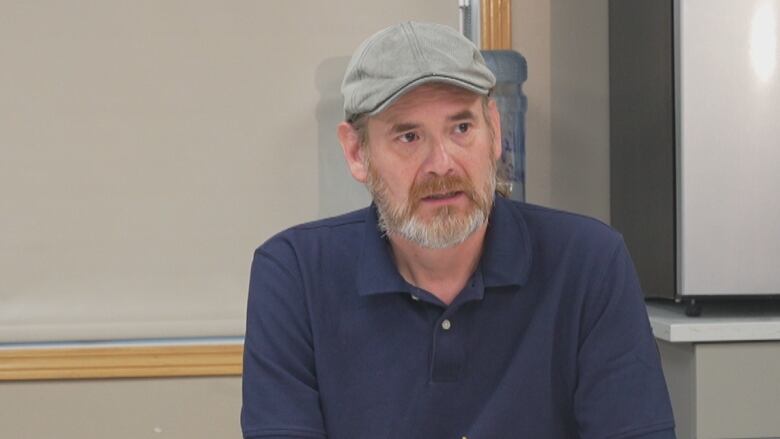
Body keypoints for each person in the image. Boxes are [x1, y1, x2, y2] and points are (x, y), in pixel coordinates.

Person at [241, 21, 676, 439]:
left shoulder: (589, 264)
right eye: (409, 136)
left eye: (461, 128)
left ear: (494, 132)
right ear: (357, 152)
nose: (443, 163)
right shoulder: (293, 275)